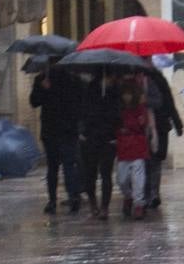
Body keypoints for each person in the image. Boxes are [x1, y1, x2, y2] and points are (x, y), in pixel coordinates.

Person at [30, 69, 82, 214]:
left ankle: (67, 198)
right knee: (60, 166)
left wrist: (45, 89)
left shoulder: (72, 79)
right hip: (54, 131)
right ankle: (60, 199)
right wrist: (43, 88)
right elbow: (34, 102)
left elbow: (79, 102)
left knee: (62, 166)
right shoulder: (43, 79)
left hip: (63, 130)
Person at [79, 74, 120, 220]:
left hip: (108, 138)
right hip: (90, 137)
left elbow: (118, 113)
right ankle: (93, 202)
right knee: (90, 173)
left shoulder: (115, 91)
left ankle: (104, 207)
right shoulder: (90, 89)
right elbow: (83, 111)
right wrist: (83, 131)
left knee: (106, 173)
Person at [114, 78, 155, 219]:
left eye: (129, 94)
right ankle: (128, 196)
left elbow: (142, 125)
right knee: (121, 179)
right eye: (125, 94)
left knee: (138, 178)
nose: (127, 97)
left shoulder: (140, 108)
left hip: (138, 146)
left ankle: (139, 204)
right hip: (123, 148)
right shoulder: (119, 109)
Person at [143, 70, 184, 209]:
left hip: (159, 126)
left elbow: (168, 101)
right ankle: (147, 192)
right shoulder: (132, 80)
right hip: (141, 126)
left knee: (156, 159)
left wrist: (177, 123)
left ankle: (153, 193)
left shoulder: (158, 78)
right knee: (145, 161)